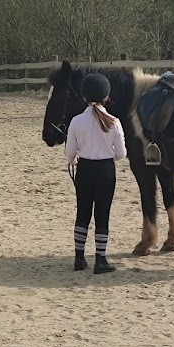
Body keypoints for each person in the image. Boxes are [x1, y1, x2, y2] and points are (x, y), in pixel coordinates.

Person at [65, 73, 127, 274]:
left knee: (82, 213)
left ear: (84, 97)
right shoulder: (114, 122)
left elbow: (69, 154)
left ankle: (79, 257)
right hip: (106, 171)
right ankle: (100, 260)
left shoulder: (76, 121)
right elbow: (121, 154)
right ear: (106, 97)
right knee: (102, 214)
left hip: (85, 170)